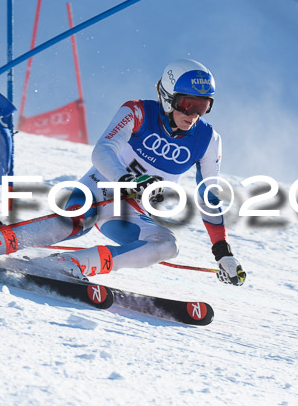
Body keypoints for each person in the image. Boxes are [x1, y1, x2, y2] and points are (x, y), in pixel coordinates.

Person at [46, 59, 246, 286]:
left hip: (126, 212)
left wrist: (223, 252)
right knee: (75, 222)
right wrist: (125, 181)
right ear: (169, 98)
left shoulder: (208, 140)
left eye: (203, 106)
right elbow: (102, 151)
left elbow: (208, 197)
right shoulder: (138, 112)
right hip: (97, 190)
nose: (193, 115)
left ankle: (71, 264)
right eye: (188, 105)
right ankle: (5, 237)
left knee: (167, 245)